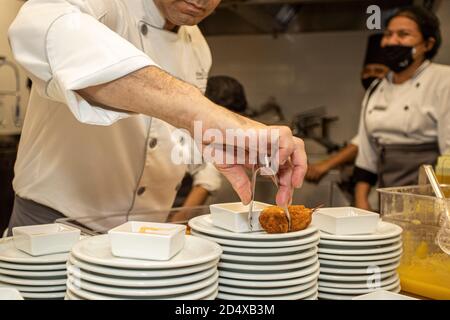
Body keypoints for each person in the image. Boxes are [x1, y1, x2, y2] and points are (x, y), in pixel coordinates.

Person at [7, 0, 306, 230]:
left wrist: (210, 146)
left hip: (146, 234)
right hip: (55, 224)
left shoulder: (199, 47)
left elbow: (170, 134)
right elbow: (39, 28)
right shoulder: (111, 5)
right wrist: (203, 112)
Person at [353, 6, 450, 210]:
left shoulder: (443, 81)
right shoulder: (376, 88)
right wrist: (361, 203)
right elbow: (366, 157)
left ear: (427, 44)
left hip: (432, 202)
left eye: (403, 34)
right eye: (388, 34)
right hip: (387, 200)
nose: (392, 41)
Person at [305, 33, 388, 182]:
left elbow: (361, 142)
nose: (371, 76)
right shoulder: (370, 98)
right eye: (367, 71)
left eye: (378, 71)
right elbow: (363, 140)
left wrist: (323, 166)